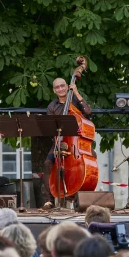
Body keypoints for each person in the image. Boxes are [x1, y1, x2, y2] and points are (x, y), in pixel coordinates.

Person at [42, 78, 93, 209]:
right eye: (57, 87)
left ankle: (83, 198)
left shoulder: (75, 100)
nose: (60, 89)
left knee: (91, 160)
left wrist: (76, 92)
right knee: (48, 163)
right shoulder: (52, 107)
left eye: (62, 86)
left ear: (67, 86)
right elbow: (51, 128)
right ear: (54, 90)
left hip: (77, 143)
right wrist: (58, 144)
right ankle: (49, 200)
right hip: (59, 141)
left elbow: (88, 112)